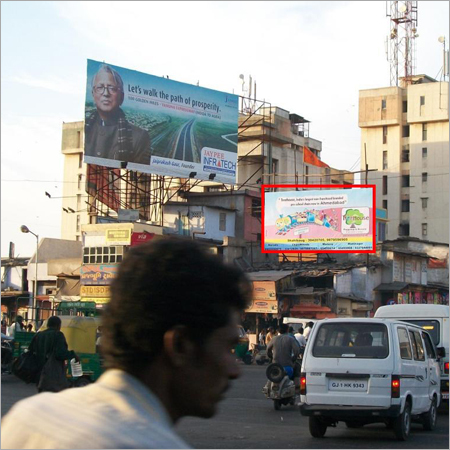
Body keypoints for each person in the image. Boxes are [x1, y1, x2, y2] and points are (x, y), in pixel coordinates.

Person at [1, 239, 252, 449]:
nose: (234, 370)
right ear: (180, 346)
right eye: (226, 348)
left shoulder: (28, 416)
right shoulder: (151, 444)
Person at [85, 64, 151, 165]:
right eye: (100, 87)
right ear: (93, 94)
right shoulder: (85, 130)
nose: (106, 93)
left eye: (112, 88)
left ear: (122, 97)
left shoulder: (139, 137)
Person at [31, 316, 79, 393]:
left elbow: (31, 351)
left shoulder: (38, 335)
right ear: (58, 325)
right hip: (52, 374)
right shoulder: (58, 335)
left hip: (39, 373)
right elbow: (60, 354)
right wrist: (73, 355)